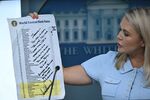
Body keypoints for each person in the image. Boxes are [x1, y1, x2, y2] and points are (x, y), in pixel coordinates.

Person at [30, 8, 150, 100]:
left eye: (126, 34)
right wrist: (39, 30)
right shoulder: (108, 61)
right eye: (120, 30)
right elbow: (59, 74)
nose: (118, 36)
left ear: (143, 41)